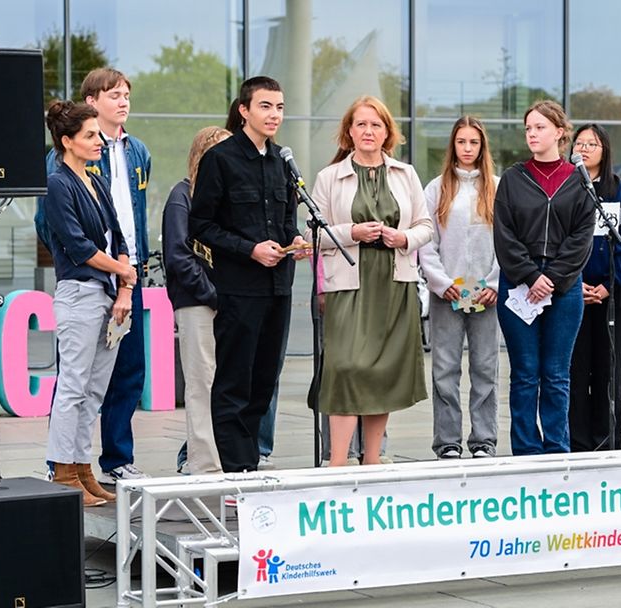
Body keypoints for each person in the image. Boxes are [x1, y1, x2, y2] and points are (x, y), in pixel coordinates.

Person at [36, 67, 152, 483]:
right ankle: (62, 469)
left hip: (119, 282)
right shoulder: (57, 176)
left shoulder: (125, 159)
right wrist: (114, 267)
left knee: (111, 379)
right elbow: (64, 236)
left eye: (127, 94)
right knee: (74, 382)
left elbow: (123, 228)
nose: (123, 101)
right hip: (86, 285)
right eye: (114, 94)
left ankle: (95, 467)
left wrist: (125, 277)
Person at [189, 77, 309, 473]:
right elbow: (201, 225)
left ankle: (251, 462)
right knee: (234, 384)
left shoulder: (282, 162)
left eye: (279, 107)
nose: (274, 114)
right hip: (239, 290)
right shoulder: (220, 159)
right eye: (265, 106)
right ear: (244, 110)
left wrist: (295, 239)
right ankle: (235, 471)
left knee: (264, 383)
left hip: (279, 288)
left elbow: (288, 218)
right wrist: (249, 249)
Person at [309, 95, 433, 466]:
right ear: (349, 131)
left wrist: (404, 238)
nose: (368, 131)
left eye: (375, 124)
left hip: (395, 282)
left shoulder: (406, 173)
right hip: (349, 285)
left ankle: (372, 460)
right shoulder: (329, 177)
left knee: (382, 372)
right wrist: (353, 232)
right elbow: (313, 235)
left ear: (387, 133)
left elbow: (426, 226)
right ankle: (337, 463)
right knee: (346, 368)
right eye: (361, 124)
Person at [493, 99, 595, 456]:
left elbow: (583, 236)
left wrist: (551, 277)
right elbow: (504, 235)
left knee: (556, 375)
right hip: (519, 286)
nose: (532, 134)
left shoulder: (578, 180)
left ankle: (556, 449)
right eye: (528, 128)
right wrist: (530, 275)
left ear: (560, 132)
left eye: (540, 127)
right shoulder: (512, 178)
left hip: (563, 289)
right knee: (524, 374)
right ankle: (525, 451)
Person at [418, 116, 500, 459]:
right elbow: (425, 241)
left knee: (485, 368)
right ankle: (447, 441)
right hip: (447, 295)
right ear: (452, 145)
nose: (467, 149)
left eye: (474, 143)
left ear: (482, 147)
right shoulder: (436, 188)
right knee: (445, 370)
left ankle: (483, 440)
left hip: (486, 295)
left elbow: (507, 242)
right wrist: (440, 282)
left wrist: (495, 281)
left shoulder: (497, 187)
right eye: (461, 142)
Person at [569, 124, 621, 452]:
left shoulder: (620, 191)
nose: (584, 149)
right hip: (573, 295)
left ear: (605, 150)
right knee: (575, 372)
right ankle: (577, 443)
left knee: (608, 372)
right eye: (580, 143)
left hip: (611, 297)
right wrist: (576, 285)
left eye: (592, 144)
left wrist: (607, 288)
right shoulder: (568, 188)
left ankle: (607, 442)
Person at [162, 126, 230, 475]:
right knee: (201, 383)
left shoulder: (226, 200)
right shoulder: (183, 195)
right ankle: (203, 465)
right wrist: (213, 294)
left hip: (230, 303)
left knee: (227, 385)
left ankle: (229, 458)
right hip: (198, 303)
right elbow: (178, 256)